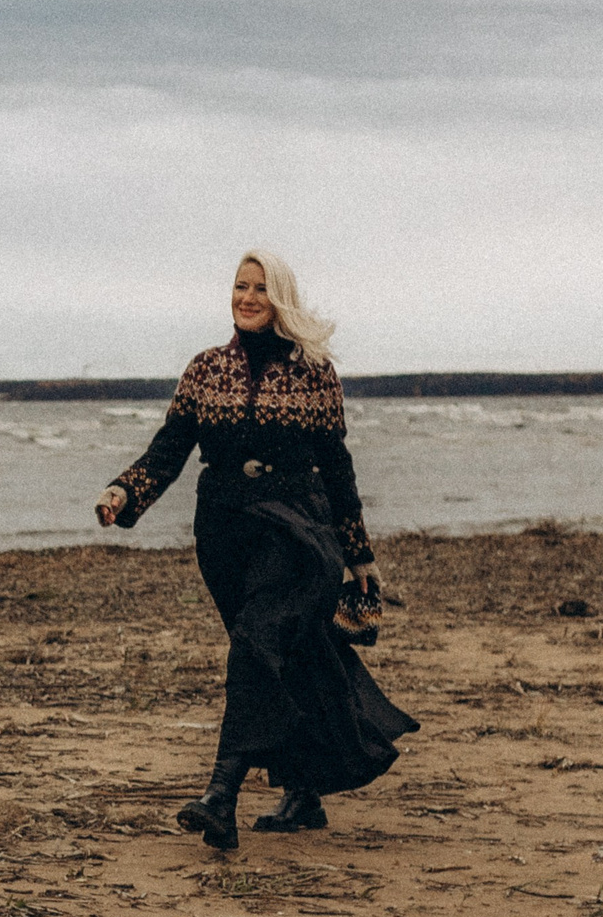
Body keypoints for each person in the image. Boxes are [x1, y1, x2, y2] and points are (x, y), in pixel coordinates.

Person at [95, 252, 417, 849]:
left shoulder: (315, 373)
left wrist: (359, 553)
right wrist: (125, 491)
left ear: (281, 300)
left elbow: (338, 468)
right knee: (281, 657)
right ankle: (305, 791)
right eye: (239, 286)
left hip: (298, 532)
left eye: (260, 288)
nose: (246, 297)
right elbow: (169, 450)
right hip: (222, 535)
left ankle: (221, 795)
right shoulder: (205, 369)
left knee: (253, 648)